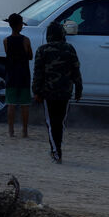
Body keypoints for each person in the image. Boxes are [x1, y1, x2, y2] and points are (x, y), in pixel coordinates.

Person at [33, 22, 82, 164]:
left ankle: (56, 151)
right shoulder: (69, 49)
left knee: (51, 122)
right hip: (66, 92)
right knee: (59, 122)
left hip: (48, 92)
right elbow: (76, 71)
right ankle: (56, 148)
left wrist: (36, 91)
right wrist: (79, 89)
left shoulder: (42, 50)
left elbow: (38, 73)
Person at [3, 13, 33, 138]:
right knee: (25, 104)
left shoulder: (6, 41)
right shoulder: (26, 40)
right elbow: (30, 56)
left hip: (11, 75)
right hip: (24, 75)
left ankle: (11, 131)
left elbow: (8, 55)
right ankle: (24, 131)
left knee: (11, 104)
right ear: (20, 25)